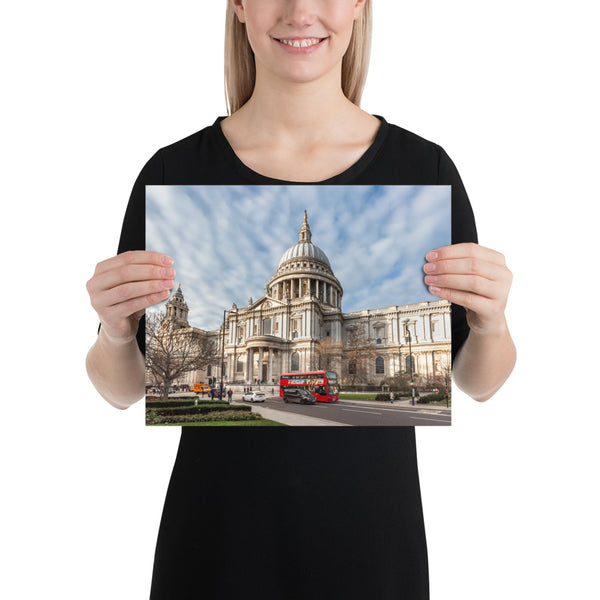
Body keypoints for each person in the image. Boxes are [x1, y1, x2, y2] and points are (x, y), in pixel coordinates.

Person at [85, 1, 515, 598]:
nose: (300, 9)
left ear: (361, 6)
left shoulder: (426, 167)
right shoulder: (171, 172)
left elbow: (480, 383)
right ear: (238, 5)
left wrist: (491, 323)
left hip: (370, 547)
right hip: (216, 546)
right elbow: (121, 389)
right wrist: (113, 331)